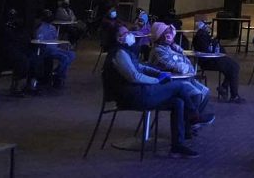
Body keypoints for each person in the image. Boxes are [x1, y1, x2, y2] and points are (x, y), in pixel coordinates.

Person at [104, 24, 213, 158]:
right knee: (179, 86)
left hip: (138, 92)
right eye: (125, 33)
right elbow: (134, 76)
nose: (130, 34)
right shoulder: (119, 53)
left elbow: (141, 67)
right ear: (118, 39)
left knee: (177, 102)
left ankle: (177, 145)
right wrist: (157, 81)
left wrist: (159, 73)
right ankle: (194, 117)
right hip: (132, 95)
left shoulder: (125, 51)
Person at [147, 23, 213, 119]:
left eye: (170, 33)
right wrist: (186, 67)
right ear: (160, 36)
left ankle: (192, 121)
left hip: (184, 79)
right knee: (196, 95)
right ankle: (189, 123)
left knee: (206, 92)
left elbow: (182, 53)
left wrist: (173, 43)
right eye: (166, 33)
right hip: (168, 82)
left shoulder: (169, 47)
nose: (170, 35)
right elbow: (178, 67)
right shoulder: (158, 50)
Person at [190, 19, 244, 103]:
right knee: (233, 67)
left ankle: (226, 88)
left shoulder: (206, 36)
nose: (209, 26)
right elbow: (206, 51)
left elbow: (218, 49)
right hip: (208, 61)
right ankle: (231, 93)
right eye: (207, 25)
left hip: (213, 58)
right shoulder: (201, 36)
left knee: (233, 66)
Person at [0, 9, 43, 96]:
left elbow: (26, 39)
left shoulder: (21, 28)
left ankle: (31, 84)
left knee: (36, 58)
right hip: (8, 51)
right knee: (23, 61)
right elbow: (5, 44)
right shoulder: (4, 28)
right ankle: (16, 86)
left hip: (21, 49)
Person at [34, 9, 75, 89]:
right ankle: (59, 77)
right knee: (65, 58)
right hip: (47, 49)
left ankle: (57, 72)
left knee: (72, 54)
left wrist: (63, 44)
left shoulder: (52, 27)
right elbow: (40, 42)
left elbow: (56, 40)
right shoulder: (40, 28)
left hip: (55, 48)